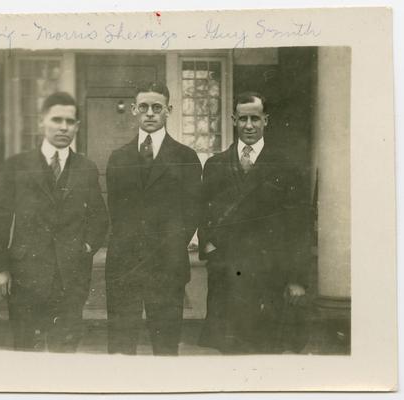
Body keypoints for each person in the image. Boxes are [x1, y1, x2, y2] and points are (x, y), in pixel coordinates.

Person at [0, 92, 109, 352]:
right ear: (42, 122)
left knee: (64, 351)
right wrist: (0, 268)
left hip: (70, 278)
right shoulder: (17, 165)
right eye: (56, 119)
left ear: (77, 126)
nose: (63, 127)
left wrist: (85, 247)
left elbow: (100, 218)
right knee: (26, 351)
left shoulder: (86, 168)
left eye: (70, 121)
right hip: (24, 277)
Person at [198, 91, 311, 354]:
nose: (249, 126)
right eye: (243, 119)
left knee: (265, 352)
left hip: (269, 275)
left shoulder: (286, 165)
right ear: (233, 120)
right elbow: (204, 212)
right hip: (227, 274)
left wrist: (297, 278)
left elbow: (298, 225)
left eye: (255, 119)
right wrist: (210, 248)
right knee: (230, 351)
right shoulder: (215, 165)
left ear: (266, 120)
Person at [105, 82, 202, 355]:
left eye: (157, 108)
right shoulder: (119, 158)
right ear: (135, 110)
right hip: (125, 264)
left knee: (165, 346)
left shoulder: (186, 157)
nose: (150, 113)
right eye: (144, 107)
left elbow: (192, 210)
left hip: (167, 264)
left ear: (168, 111)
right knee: (121, 347)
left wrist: (167, 244)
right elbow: (117, 210)